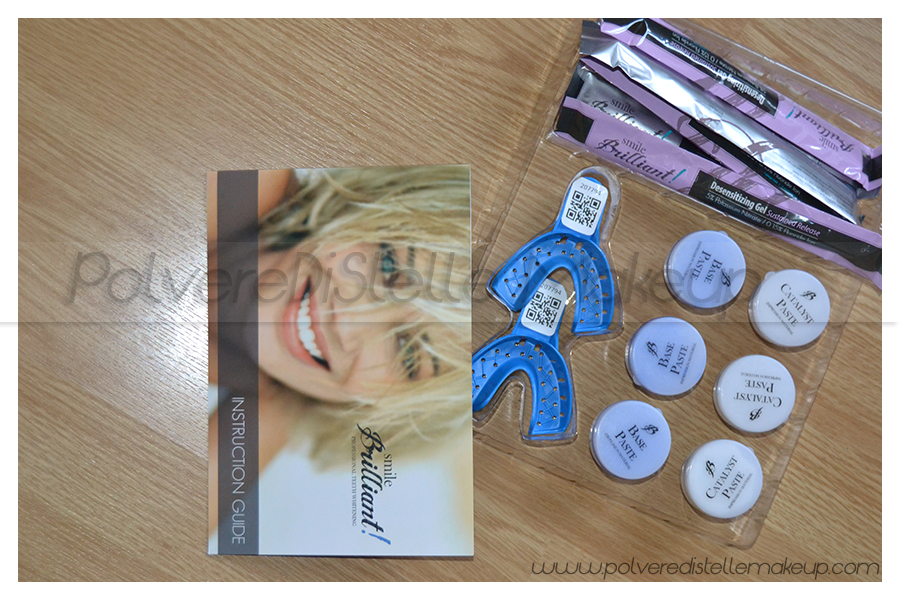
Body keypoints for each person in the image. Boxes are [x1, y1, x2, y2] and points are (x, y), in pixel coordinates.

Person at [207, 166, 472, 542]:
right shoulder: (256, 183)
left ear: (395, 411)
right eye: (388, 265)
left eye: (408, 355)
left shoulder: (280, 400)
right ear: (367, 205)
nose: (347, 324)